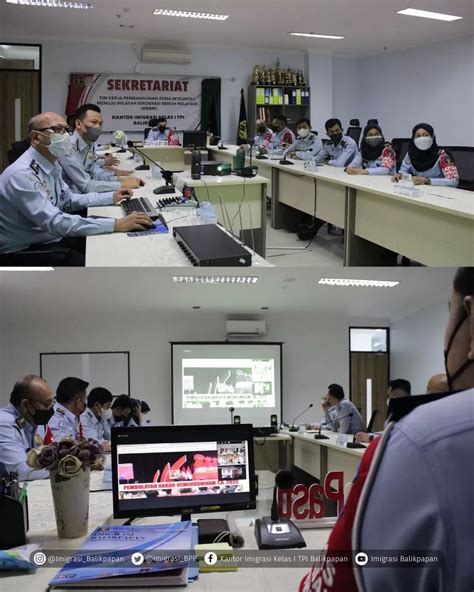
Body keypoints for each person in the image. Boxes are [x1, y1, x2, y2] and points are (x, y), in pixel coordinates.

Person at [299, 267, 474, 592]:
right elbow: (329, 425)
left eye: (448, 316)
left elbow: (335, 580)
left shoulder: (414, 442)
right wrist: (323, 413)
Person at [0, 112, 153, 263]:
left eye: (67, 130)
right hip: (26, 251)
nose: (65, 135)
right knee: (104, 262)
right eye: (58, 129)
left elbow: (68, 200)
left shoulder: (51, 164)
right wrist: (116, 224)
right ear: (36, 137)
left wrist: (111, 196)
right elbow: (54, 222)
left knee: (114, 245)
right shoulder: (21, 174)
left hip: (51, 236)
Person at [60, 104, 141, 193]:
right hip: (72, 200)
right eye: (94, 122)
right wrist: (122, 184)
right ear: (78, 124)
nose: (98, 127)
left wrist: (118, 179)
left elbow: (93, 172)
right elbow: (86, 185)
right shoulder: (67, 147)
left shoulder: (89, 144)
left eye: (100, 123)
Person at [0, 375, 55, 480]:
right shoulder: (4, 424)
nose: (51, 409)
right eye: (46, 404)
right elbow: (20, 471)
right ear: (25, 405)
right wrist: (65, 470)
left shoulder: (35, 421)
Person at [392, 123, 459, 187]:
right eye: (418, 136)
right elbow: (404, 170)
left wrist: (427, 181)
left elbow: (453, 181)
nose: (422, 139)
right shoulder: (411, 153)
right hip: (418, 190)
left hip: (439, 192)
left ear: (432, 137)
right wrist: (400, 176)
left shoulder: (443, 155)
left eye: (426, 135)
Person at [355, 379, 411, 443]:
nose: (390, 400)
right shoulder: (393, 406)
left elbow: (398, 439)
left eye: (394, 396)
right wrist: (369, 435)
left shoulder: (413, 414)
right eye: (390, 397)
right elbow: (388, 431)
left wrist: (370, 438)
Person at [46, 377, 88, 441]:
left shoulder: (71, 416)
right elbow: (63, 448)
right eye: (84, 400)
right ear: (78, 402)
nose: (85, 403)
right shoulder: (56, 418)